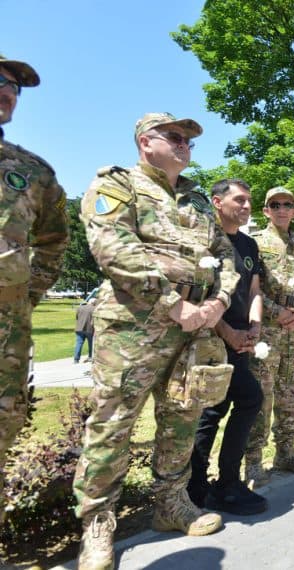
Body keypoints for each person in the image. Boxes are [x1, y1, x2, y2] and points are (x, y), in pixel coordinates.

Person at [74, 112, 238, 569]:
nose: (186, 144)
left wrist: (218, 302)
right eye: (176, 137)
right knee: (114, 422)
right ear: (146, 142)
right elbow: (113, 248)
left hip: (195, 328)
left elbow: (225, 256)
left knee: (182, 415)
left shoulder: (198, 201)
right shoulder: (118, 184)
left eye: (189, 140)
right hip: (133, 325)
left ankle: (170, 502)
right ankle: (97, 524)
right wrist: (174, 304)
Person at [0, 54, 69, 525]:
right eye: (0, 80)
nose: (9, 91)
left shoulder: (31, 171)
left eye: (15, 87)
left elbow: (54, 241)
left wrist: (25, 297)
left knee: (4, 427)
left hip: (7, 332)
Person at [189, 179, 267, 515]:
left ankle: (225, 483)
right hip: (208, 339)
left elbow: (254, 291)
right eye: (240, 200)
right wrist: (225, 331)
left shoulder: (248, 245)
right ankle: (196, 488)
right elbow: (197, 295)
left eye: (250, 200)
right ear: (217, 202)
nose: (247, 206)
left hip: (240, 341)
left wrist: (254, 326)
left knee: (242, 400)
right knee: (212, 410)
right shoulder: (202, 240)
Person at [244, 186, 294, 481]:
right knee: (261, 395)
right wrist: (278, 311)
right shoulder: (256, 244)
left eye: (287, 204)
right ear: (265, 211)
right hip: (268, 330)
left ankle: (286, 452)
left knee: (291, 392)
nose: (281, 209)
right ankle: (253, 461)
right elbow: (252, 287)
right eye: (274, 204)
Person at [74, 297, 96, 364]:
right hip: (89, 329)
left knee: (79, 343)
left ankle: (76, 359)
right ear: (93, 303)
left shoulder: (80, 307)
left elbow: (77, 317)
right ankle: (90, 357)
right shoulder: (94, 309)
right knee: (91, 344)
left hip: (79, 328)